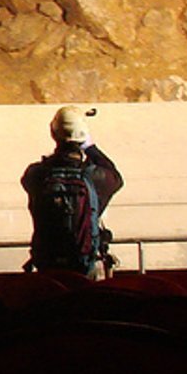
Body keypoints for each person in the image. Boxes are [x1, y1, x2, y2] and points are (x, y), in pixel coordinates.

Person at [21, 105, 123, 278]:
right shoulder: (95, 177)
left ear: (53, 134)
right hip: (85, 265)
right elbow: (116, 178)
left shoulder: (36, 174)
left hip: (47, 264)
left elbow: (27, 182)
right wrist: (90, 147)